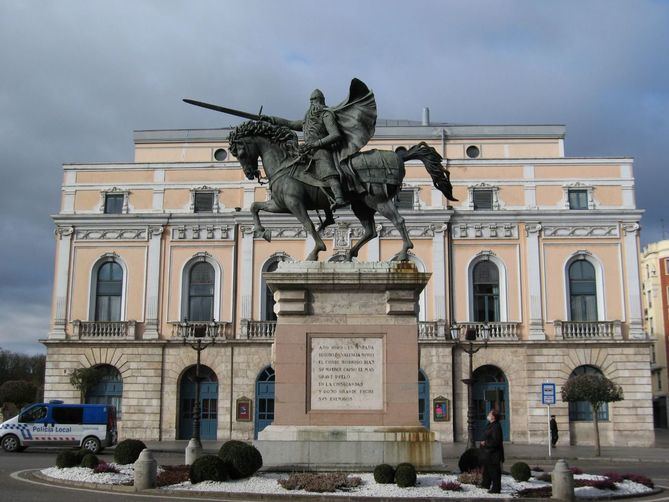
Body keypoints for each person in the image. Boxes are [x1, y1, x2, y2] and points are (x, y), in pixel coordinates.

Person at [261, 89, 348, 210]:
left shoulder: (326, 114)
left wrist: (316, 144)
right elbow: (290, 124)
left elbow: (335, 134)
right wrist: (271, 119)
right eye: (311, 101)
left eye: (315, 100)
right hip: (307, 152)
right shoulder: (308, 120)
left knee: (327, 171)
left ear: (321, 101)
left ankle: (339, 198)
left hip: (322, 150)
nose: (313, 103)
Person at [480, 409, 504, 494]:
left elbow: (496, 441)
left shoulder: (496, 426)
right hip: (488, 453)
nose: (488, 415)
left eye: (489, 414)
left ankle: (496, 489)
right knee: (487, 470)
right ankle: (485, 484)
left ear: (493, 416)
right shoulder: (491, 424)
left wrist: (485, 443)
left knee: (494, 472)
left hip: (493, 454)